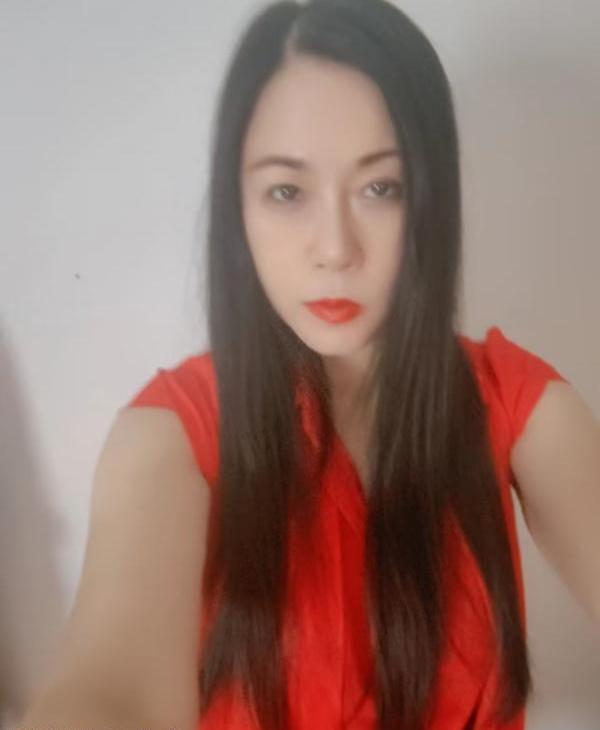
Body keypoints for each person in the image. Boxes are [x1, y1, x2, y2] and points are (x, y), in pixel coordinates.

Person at [19, 1, 600, 729]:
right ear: (239, 207)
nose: (335, 248)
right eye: (287, 192)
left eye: (381, 188)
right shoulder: (170, 437)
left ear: (432, 199)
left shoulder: (516, 406)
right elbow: (113, 686)